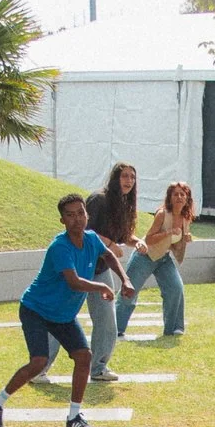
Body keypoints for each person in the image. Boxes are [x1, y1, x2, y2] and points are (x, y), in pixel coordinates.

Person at [0, 193, 123, 427]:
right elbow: (73, 282)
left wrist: (126, 279)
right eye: (70, 215)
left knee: (84, 357)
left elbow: (109, 255)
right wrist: (102, 286)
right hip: (36, 310)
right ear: (62, 220)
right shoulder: (59, 247)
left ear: (87, 215)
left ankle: (74, 417)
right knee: (38, 362)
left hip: (63, 315)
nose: (77, 219)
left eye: (80, 213)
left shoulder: (91, 240)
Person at [81, 162, 142, 382]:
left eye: (132, 178)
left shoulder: (124, 205)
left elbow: (122, 235)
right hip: (79, 267)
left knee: (107, 321)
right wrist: (109, 244)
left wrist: (136, 242)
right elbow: (86, 231)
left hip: (100, 270)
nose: (128, 181)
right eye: (125, 176)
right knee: (62, 318)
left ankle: (98, 368)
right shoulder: (99, 199)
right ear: (115, 178)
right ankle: (40, 366)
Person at [120, 182, 196, 341]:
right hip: (145, 255)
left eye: (183, 194)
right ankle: (117, 329)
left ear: (187, 198)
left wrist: (184, 238)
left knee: (176, 288)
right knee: (129, 291)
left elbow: (174, 243)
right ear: (169, 197)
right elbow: (149, 238)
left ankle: (174, 328)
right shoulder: (162, 214)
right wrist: (168, 232)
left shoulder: (186, 217)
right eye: (175, 194)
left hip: (163, 258)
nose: (179, 197)